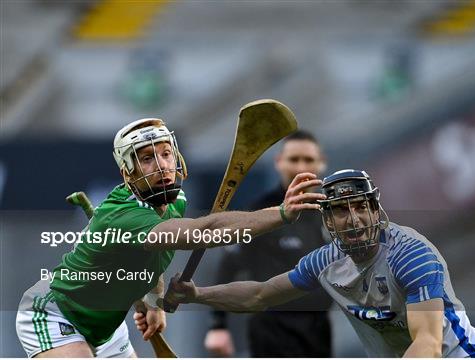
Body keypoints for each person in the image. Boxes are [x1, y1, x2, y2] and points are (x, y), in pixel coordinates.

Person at [15, 118, 324, 357]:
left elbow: (150, 260)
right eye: (147, 158)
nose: (162, 164)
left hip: (106, 328)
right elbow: (203, 232)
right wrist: (280, 214)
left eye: (165, 154)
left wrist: (152, 301)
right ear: (128, 172)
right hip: (55, 316)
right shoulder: (123, 216)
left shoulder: (174, 202)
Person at [167, 169, 475, 357]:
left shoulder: (411, 254)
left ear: (375, 210)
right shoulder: (324, 263)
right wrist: (197, 295)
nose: (353, 219)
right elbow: (259, 295)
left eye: (360, 206)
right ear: (328, 222)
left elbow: (429, 343)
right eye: (340, 210)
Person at [205, 130, 333, 357]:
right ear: (279, 162)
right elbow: (227, 266)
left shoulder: (331, 213)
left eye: (308, 159)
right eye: (294, 159)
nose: (301, 167)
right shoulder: (260, 214)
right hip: (273, 331)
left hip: (319, 328)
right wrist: (218, 326)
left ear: (321, 163)